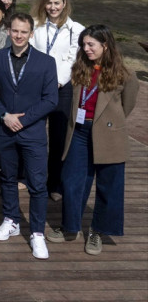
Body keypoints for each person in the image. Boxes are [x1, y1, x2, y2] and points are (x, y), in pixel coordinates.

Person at [48, 25, 138, 255]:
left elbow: (127, 105)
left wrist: (110, 123)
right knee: (71, 180)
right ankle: (70, 226)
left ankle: (97, 231)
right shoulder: (81, 68)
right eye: (84, 45)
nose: (86, 49)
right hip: (79, 132)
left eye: (91, 45)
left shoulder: (124, 74)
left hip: (108, 135)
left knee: (109, 187)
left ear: (105, 46)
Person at [0, 12, 59, 259]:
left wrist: (24, 119)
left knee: (38, 184)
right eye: (15, 31)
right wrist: (4, 115)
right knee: (7, 178)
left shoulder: (46, 62)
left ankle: (37, 232)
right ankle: (11, 220)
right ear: (9, 31)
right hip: (4, 129)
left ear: (31, 34)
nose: (18, 35)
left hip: (32, 132)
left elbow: (51, 99)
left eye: (24, 32)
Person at [30, 0, 85, 200]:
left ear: (64, 4)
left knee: (59, 136)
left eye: (57, 3)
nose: (53, 7)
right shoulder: (36, 26)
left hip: (62, 88)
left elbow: (72, 59)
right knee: (33, 135)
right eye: (49, 2)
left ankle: (55, 183)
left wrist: (57, 82)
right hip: (36, 87)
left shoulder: (76, 29)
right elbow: (32, 51)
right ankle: (28, 177)